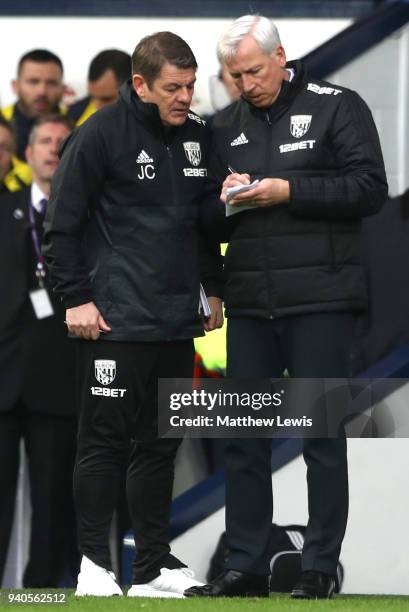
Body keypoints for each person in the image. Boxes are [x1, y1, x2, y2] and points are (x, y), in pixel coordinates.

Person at [184, 15, 388, 600]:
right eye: (234, 75)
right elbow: (200, 218)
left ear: (281, 56)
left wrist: (288, 190)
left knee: (322, 435)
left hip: (322, 298)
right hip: (250, 301)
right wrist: (225, 207)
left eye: (252, 70)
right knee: (244, 437)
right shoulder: (224, 127)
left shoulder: (336, 105)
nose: (245, 84)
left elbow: (369, 187)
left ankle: (320, 565)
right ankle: (244, 565)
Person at [42, 31, 223, 598]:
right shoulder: (96, 136)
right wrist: (75, 298)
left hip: (174, 320)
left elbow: (203, 228)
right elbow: (60, 229)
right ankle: (95, 566)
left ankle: (150, 568)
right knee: (103, 443)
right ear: (140, 84)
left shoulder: (198, 136)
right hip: (113, 322)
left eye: (191, 86)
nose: (185, 97)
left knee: (160, 444)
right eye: (173, 87)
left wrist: (212, 290)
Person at [0, 114, 78, 587]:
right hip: (3, 377)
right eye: (43, 141)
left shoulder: (89, 213)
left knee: (53, 501)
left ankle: (43, 595)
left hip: (60, 375)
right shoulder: (3, 207)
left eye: (61, 142)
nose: (52, 149)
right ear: (26, 155)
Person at [1, 49, 66, 186]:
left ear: (63, 89)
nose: (42, 91)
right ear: (15, 86)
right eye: (33, 82)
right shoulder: (2, 123)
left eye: (51, 83)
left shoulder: (79, 127)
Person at [68, 49, 132, 126]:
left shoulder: (148, 125)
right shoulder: (73, 115)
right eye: (91, 96)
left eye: (106, 99)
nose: (96, 107)